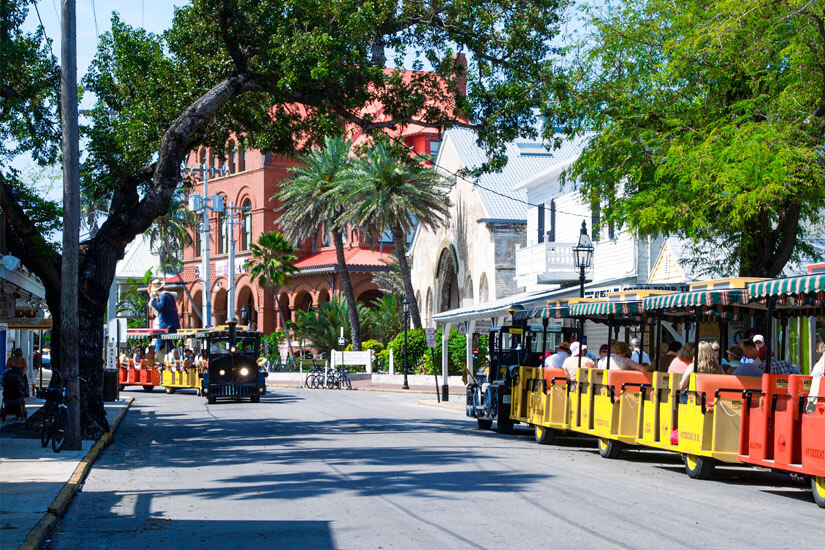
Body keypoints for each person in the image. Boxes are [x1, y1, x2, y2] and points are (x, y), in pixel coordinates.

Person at [148, 279, 180, 350]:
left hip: (166, 325)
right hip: (172, 324)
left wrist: (153, 300)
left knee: (159, 343)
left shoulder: (163, 296)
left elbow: (160, 307)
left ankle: (158, 356)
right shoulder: (169, 296)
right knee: (169, 343)